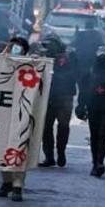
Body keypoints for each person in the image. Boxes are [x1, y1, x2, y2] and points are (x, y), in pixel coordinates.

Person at [0, 36, 31, 202]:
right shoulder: (3, 61)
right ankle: (6, 181)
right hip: (3, 113)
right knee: (4, 149)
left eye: (18, 46)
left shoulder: (31, 64)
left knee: (19, 150)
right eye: (12, 46)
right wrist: (5, 52)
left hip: (22, 113)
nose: (15, 49)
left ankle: (18, 185)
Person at [39, 35, 76, 168]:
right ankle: (49, 156)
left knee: (63, 127)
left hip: (64, 96)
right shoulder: (46, 58)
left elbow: (72, 74)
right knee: (46, 128)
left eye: (50, 46)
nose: (48, 49)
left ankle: (61, 152)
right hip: (49, 97)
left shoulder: (66, 58)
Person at [80, 51, 105, 178]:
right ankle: (95, 162)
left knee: (102, 136)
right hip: (94, 108)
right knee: (96, 136)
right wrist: (81, 106)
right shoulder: (90, 71)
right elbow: (83, 90)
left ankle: (99, 162)